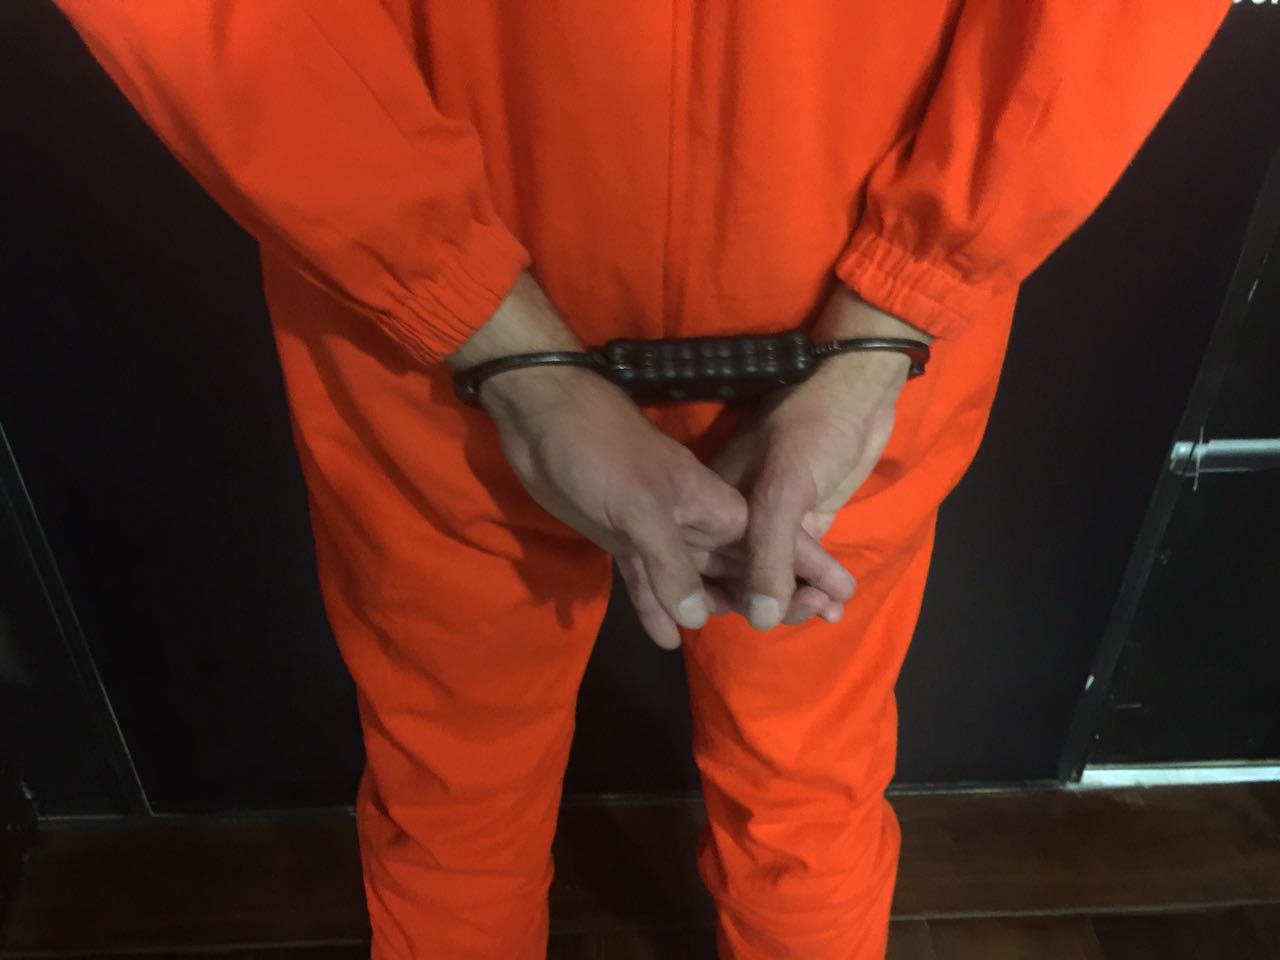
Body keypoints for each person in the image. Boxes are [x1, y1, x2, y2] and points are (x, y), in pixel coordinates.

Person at [52, 3, 1228, 957]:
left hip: (447, 334)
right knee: (803, 789)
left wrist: (470, 315)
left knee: (456, 789)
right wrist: (897, 308)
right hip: (834, 323)